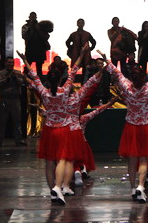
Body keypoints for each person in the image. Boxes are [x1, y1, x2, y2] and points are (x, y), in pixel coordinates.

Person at [18, 46, 101, 206]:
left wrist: (25, 61)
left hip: (49, 130)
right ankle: (58, 186)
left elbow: (34, 76)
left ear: (49, 79)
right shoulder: (65, 90)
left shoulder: (44, 92)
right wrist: (82, 54)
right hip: (63, 129)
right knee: (63, 159)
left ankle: (53, 192)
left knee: (49, 162)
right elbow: (74, 70)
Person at [101, 48, 148, 203]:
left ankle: (133, 188)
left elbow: (116, 73)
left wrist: (106, 60)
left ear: (132, 78)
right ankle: (141, 186)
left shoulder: (127, 87)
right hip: (146, 127)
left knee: (132, 160)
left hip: (131, 127)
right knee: (143, 159)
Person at [0, 57, 27, 147]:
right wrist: (8, 78)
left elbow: (21, 83)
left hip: (15, 99)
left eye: (12, 63)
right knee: (2, 120)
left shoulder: (17, 73)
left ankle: (19, 140)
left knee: (17, 120)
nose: (11, 64)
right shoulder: (0, 73)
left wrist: (15, 78)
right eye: (9, 62)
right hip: (4, 99)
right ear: (5, 63)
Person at [22, 13, 53, 77]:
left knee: (39, 67)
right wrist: (31, 28)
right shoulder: (25, 26)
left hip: (40, 49)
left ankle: (39, 80)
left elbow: (47, 34)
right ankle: (25, 80)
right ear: (29, 17)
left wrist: (38, 28)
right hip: (30, 48)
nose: (33, 18)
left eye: (34, 17)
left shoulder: (41, 25)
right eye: (32, 17)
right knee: (28, 66)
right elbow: (24, 36)